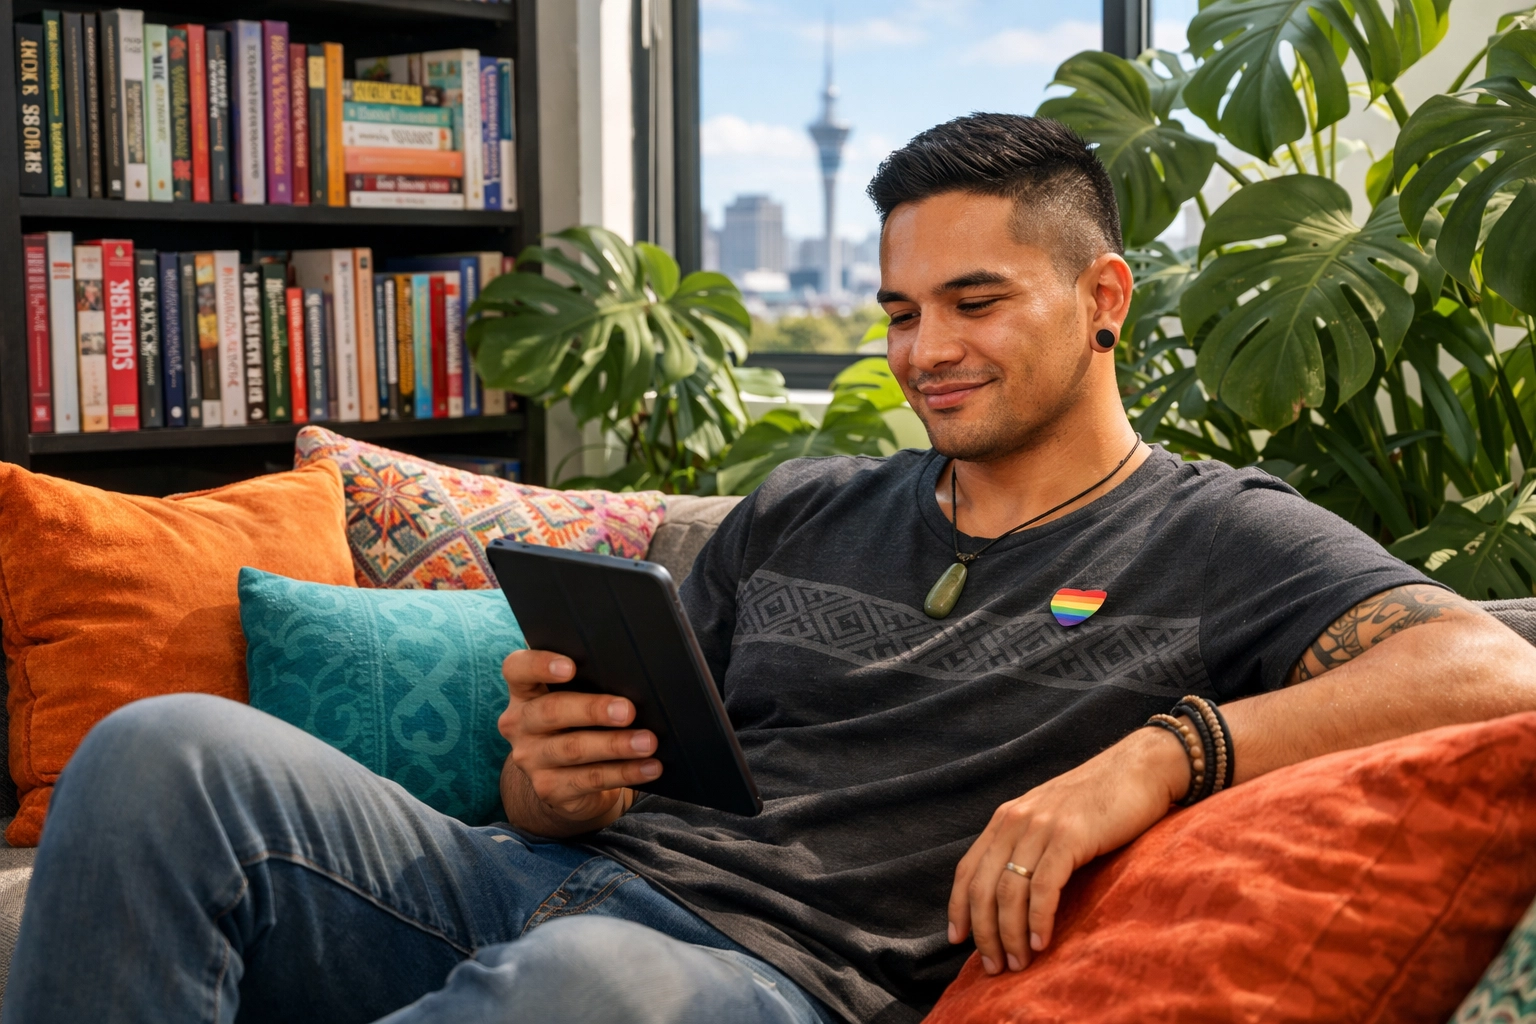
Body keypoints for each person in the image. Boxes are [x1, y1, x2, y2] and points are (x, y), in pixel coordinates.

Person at [8, 113, 1536, 1024]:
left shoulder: (1218, 534)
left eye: (976, 302)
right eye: (898, 311)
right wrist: (551, 777)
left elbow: (1490, 668)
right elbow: (581, 788)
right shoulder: (804, 507)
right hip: (543, 884)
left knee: (594, 990)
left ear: (1104, 298)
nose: (926, 351)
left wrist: (1160, 754)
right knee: (165, 751)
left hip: (766, 980)